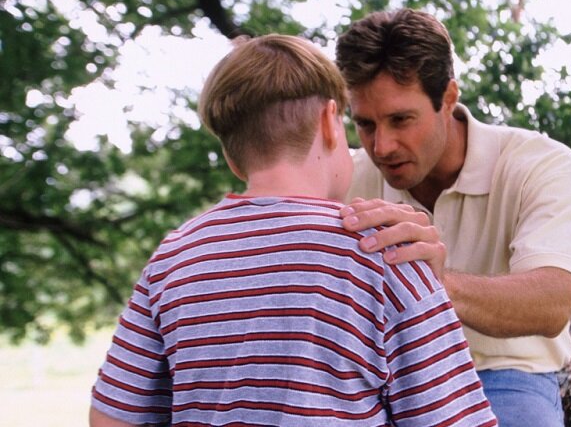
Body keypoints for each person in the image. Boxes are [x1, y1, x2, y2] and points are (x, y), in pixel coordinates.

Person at [89, 34, 497, 427]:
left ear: (233, 158)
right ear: (329, 122)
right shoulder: (388, 251)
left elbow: (110, 418)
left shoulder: (174, 258)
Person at [336, 8, 571, 427]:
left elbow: (551, 302)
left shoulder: (541, 165)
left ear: (449, 98)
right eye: (365, 124)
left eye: (400, 120)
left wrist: (433, 282)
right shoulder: (345, 175)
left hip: (502, 373)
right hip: (378, 378)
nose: (381, 147)